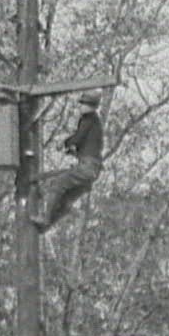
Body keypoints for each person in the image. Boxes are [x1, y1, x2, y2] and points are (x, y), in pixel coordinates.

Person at [33, 91, 105, 232]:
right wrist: (73, 151)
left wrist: (65, 143)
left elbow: (78, 138)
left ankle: (45, 219)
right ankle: (46, 225)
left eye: (83, 104)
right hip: (92, 170)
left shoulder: (88, 119)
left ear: (91, 106)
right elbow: (89, 147)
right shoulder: (96, 124)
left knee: (57, 185)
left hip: (87, 167)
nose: (81, 107)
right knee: (65, 201)